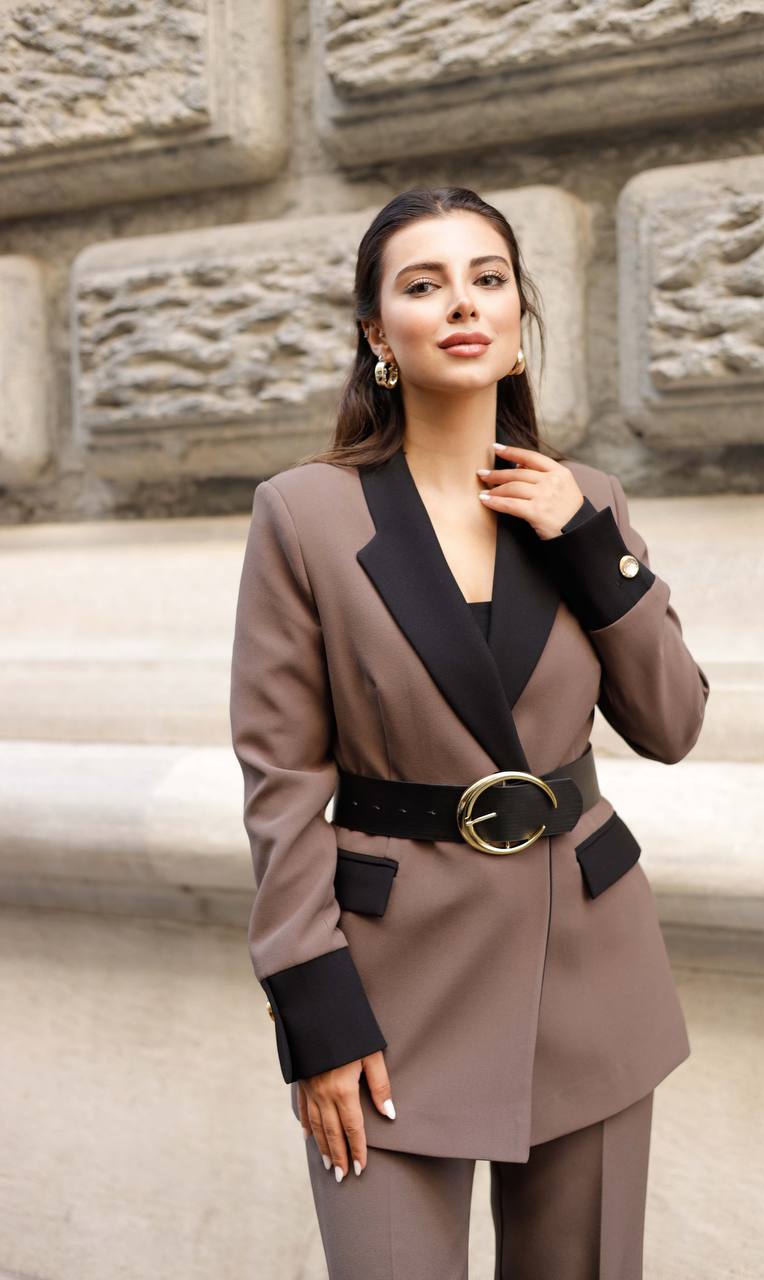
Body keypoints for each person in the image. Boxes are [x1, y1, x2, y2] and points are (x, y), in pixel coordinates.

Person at [229, 186, 710, 1279]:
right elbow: (280, 782)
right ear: (375, 332)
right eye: (424, 282)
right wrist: (315, 1010)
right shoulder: (303, 513)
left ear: (516, 314)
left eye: (488, 277)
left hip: (590, 969)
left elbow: (672, 722)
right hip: (388, 988)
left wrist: (592, 550)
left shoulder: (586, 498)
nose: (463, 303)